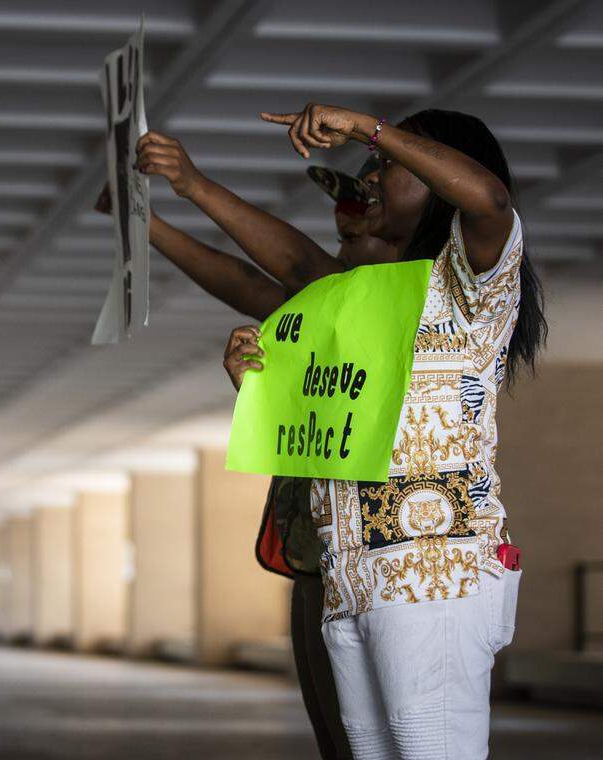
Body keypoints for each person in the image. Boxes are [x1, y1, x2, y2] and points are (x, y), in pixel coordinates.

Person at [215, 104, 544, 759]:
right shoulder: (362, 303)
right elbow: (327, 433)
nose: (373, 175)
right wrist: (252, 387)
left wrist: (370, 128)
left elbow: (491, 199)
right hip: (352, 579)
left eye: (391, 164)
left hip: (434, 577)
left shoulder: (472, 282)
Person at [100, 140, 397, 760]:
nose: (346, 223)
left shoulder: (414, 300)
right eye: (343, 217)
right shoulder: (336, 302)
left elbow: (293, 267)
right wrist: (149, 225)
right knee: (341, 737)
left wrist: (193, 186)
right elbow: (247, 283)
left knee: (388, 735)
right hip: (320, 547)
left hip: (386, 556)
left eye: (365, 208)